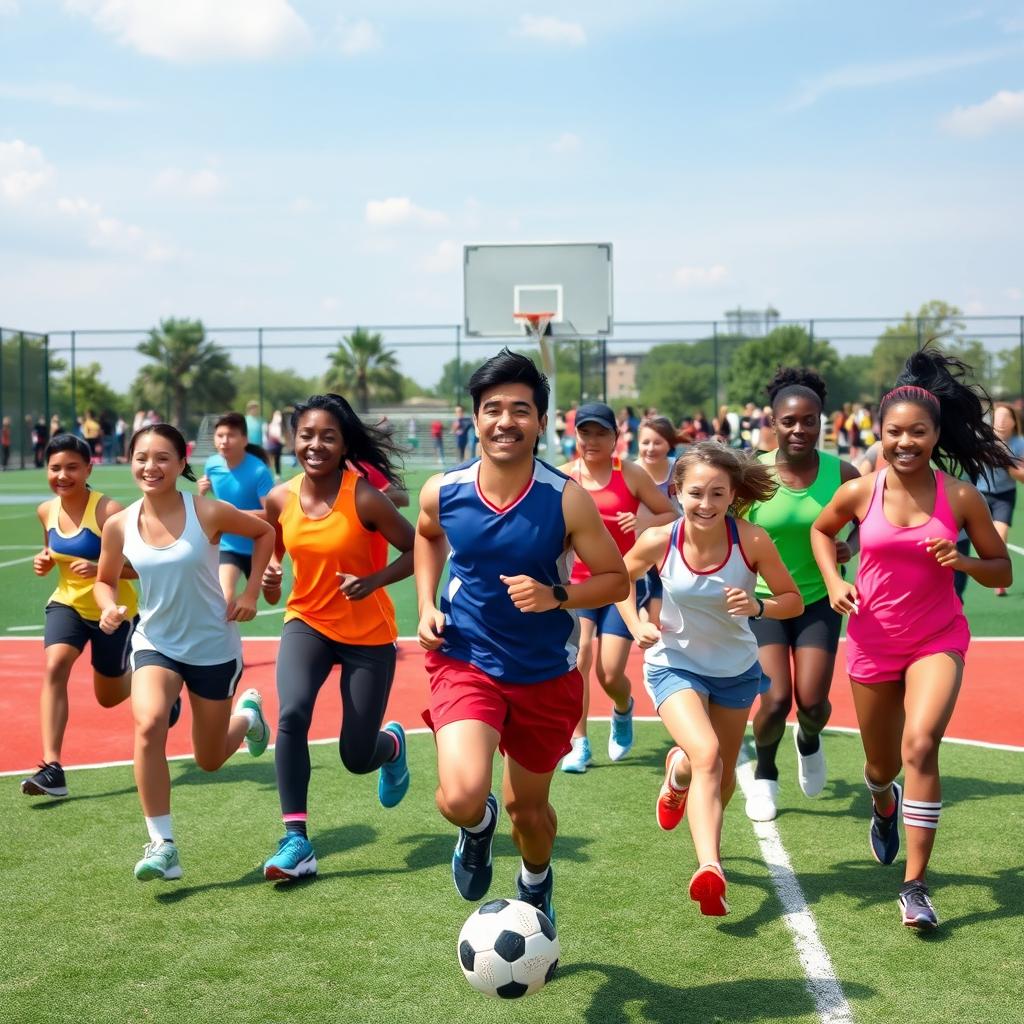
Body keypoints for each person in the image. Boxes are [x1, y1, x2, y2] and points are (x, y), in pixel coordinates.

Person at [415, 349, 629, 921]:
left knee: (528, 814)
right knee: (461, 798)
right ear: (475, 418)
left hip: (543, 672)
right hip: (466, 659)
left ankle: (536, 879)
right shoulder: (444, 489)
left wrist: (555, 596)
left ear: (540, 422)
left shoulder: (566, 498)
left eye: (520, 409)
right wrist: (424, 605)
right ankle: (477, 827)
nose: (504, 421)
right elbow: (427, 534)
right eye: (492, 409)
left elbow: (614, 580)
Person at [810, 348, 1013, 930]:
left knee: (920, 744)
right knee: (879, 765)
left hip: (938, 638)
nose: (906, 442)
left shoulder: (961, 497)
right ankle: (883, 800)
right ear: (880, 433)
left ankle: (916, 886)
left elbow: (1002, 570)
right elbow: (825, 533)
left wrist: (963, 563)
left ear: (935, 433)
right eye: (895, 432)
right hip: (873, 640)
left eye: (918, 432)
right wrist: (832, 579)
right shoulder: (860, 492)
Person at [618, 442, 802, 915]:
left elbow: (793, 601)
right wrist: (637, 622)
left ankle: (677, 774)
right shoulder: (663, 539)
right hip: (673, 663)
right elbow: (617, 578)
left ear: (732, 494)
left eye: (717, 493)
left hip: (736, 671)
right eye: (695, 492)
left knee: (714, 778)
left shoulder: (751, 541)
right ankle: (710, 868)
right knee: (709, 754)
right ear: (677, 491)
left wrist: (760, 605)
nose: (705, 503)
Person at [94, 424, 275, 881]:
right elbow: (104, 579)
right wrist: (109, 607)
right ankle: (163, 844)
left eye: (161, 458)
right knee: (150, 722)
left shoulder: (208, 512)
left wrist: (251, 592)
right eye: (141, 458)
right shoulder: (118, 525)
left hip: (213, 646)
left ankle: (248, 717)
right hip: (156, 644)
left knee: (209, 759)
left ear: (180, 463)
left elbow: (265, 533)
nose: (150, 467)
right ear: (129, 462)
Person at [259, 394, 414, 880]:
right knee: (291, 713)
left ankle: (389, 748)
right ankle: (296, 840)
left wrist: (374, 580)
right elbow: (272, 555)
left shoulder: (364, 495)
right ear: (292, 439)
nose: (315, 444)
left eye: (328, 436)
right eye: (307, 435)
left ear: (344, 443)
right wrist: (269, 577)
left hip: (368, 633)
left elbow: (421, 549)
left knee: (354, 755)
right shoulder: (279, 499)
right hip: (306, 622)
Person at [743, 369, 861, 823]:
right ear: (773, 422)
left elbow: (874, 525)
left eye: (808, 421)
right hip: (765, 602)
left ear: (820, 422)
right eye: (789, 421)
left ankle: (808, 740)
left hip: (817, 601)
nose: (799, 429)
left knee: (811, 703)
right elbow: (730, 533)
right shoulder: (753, 473)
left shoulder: (843, 474)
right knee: (775, 699)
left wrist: (851, 547)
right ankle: (766, 776)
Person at [20, 435, 143, 798]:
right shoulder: (46, 510)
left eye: (72, 467)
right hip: (68, 604)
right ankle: (52, 767)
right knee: (55, 666)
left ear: (89, 468)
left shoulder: (109, 512)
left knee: (108, 696)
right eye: (55, 467)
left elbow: (138, 568)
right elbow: (51, 549)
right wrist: (43, 560)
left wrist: (102, 569)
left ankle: (155, 686)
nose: (63, 475)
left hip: (114, 612)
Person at [557, 402, 677, 773]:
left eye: (601, 433)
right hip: (576, 585)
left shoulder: (631, 475)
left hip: (622, 582)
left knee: (610, 672)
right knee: (579, 660)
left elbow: (670, 513)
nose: (592, 440)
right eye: (585, 432)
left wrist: (641, 520)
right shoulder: (562, 476)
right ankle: (579, 743)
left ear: (615, 438)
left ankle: (622, 707)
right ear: (574, 436)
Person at [198, 412, 276, 606]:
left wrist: (231, 516)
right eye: (220, 435)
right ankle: (228, 637)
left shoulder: (259, 471)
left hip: (259, 545)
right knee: (223, 600)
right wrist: (202, 493)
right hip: (228, 546)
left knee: (272, 596)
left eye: (231, 435)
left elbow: (273, 515)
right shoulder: (212, 465)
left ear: (244, 440)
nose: (224, 441)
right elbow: (211, 505)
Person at [634, 416, 681, 626]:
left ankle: (655, 627)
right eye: (645, 442)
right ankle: (646, 625)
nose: (651, 448)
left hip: (674, 541)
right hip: (637, 543)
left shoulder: (679, 470)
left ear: (669, 444)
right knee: (647, 586)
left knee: (661, 585)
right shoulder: (631, 472)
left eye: (657, 442)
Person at [976, 403, 1024, 596]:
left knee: (999, 535)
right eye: (998, 417)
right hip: (979, 493)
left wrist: (1005, 462)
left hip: (1004, 495)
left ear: (1014, 422)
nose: (1002, 422)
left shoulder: (1019, 444)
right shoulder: (982, 440)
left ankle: (998, 579)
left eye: (1006, 418)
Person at [266, 410, 284, 478]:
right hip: (271, 445)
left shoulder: (281, 425)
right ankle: (269, 472)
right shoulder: (271, 424)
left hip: (278, 445)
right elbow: (271, 434)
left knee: (277, 460)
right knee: (270, 460)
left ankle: (277, 474)